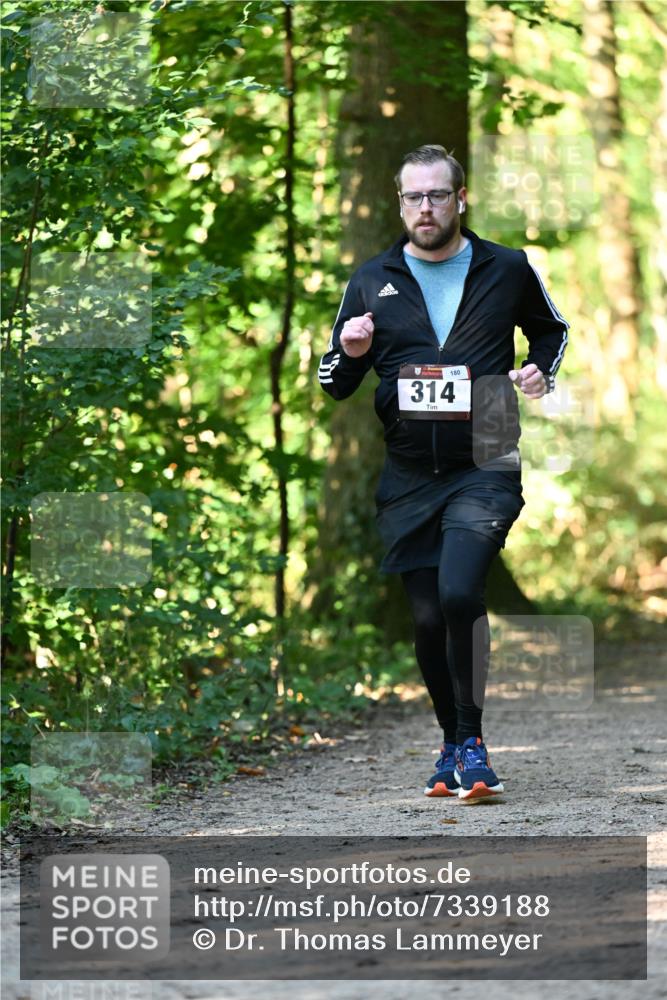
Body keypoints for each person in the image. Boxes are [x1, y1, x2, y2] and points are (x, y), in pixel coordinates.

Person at [318, 144, 569, 802]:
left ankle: (474, 743)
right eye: (413, 197)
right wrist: (351, 351)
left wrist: (540, 371)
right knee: (428, 618)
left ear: (460, 199)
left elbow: (552, 331)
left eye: (436, 195)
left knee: (460, 593)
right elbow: (335, 381)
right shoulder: (372, 278)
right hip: (408, 473)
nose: (424, 207)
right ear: (400, 204)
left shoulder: (506, 267)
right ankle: (451, 744)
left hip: (486, 457)